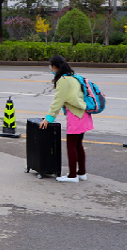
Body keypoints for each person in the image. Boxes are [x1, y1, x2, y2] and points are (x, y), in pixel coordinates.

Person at [40, 55, 93, 183]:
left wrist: (49, 118)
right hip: (83, 113)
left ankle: (72, 176)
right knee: (78, 145)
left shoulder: (63, 80)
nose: (50, 68)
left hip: (75, 116)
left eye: (51, 66)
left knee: (71, 146)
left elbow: (58, 101)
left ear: (55, 67)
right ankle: (81, 173)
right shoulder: (73, 76)